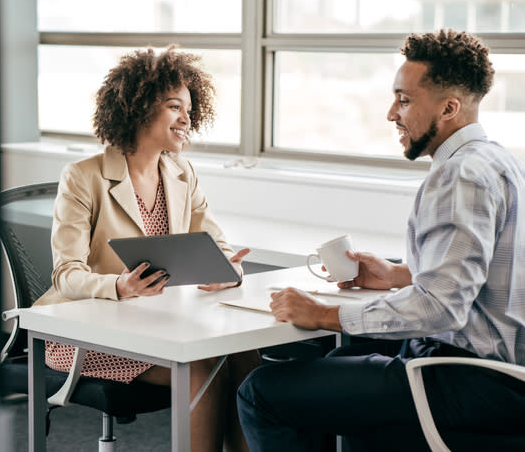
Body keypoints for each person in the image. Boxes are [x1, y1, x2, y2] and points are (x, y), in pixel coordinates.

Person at [237, 29, 525, 452]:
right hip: (504, 378)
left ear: (449, 108)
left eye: (404, 100)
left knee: (262, 392)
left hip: (465, 380)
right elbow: (486, 275)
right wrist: (398, 275)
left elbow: (441, 307)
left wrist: (324, 314)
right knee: (335, 367)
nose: (392, 113)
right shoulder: (499, 160)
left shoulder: (458, 175)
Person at [34, 46, 260, 451]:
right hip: (90, 332)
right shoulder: (84, 177)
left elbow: (215, 243)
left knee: (245, 355)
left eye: (189, 108)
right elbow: (65, 275)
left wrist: (229, 269)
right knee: (203, 366)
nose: (187, 118)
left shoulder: (181, 171)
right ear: (138, 109)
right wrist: (118, 286)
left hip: (158, 324)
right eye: (175, 106)